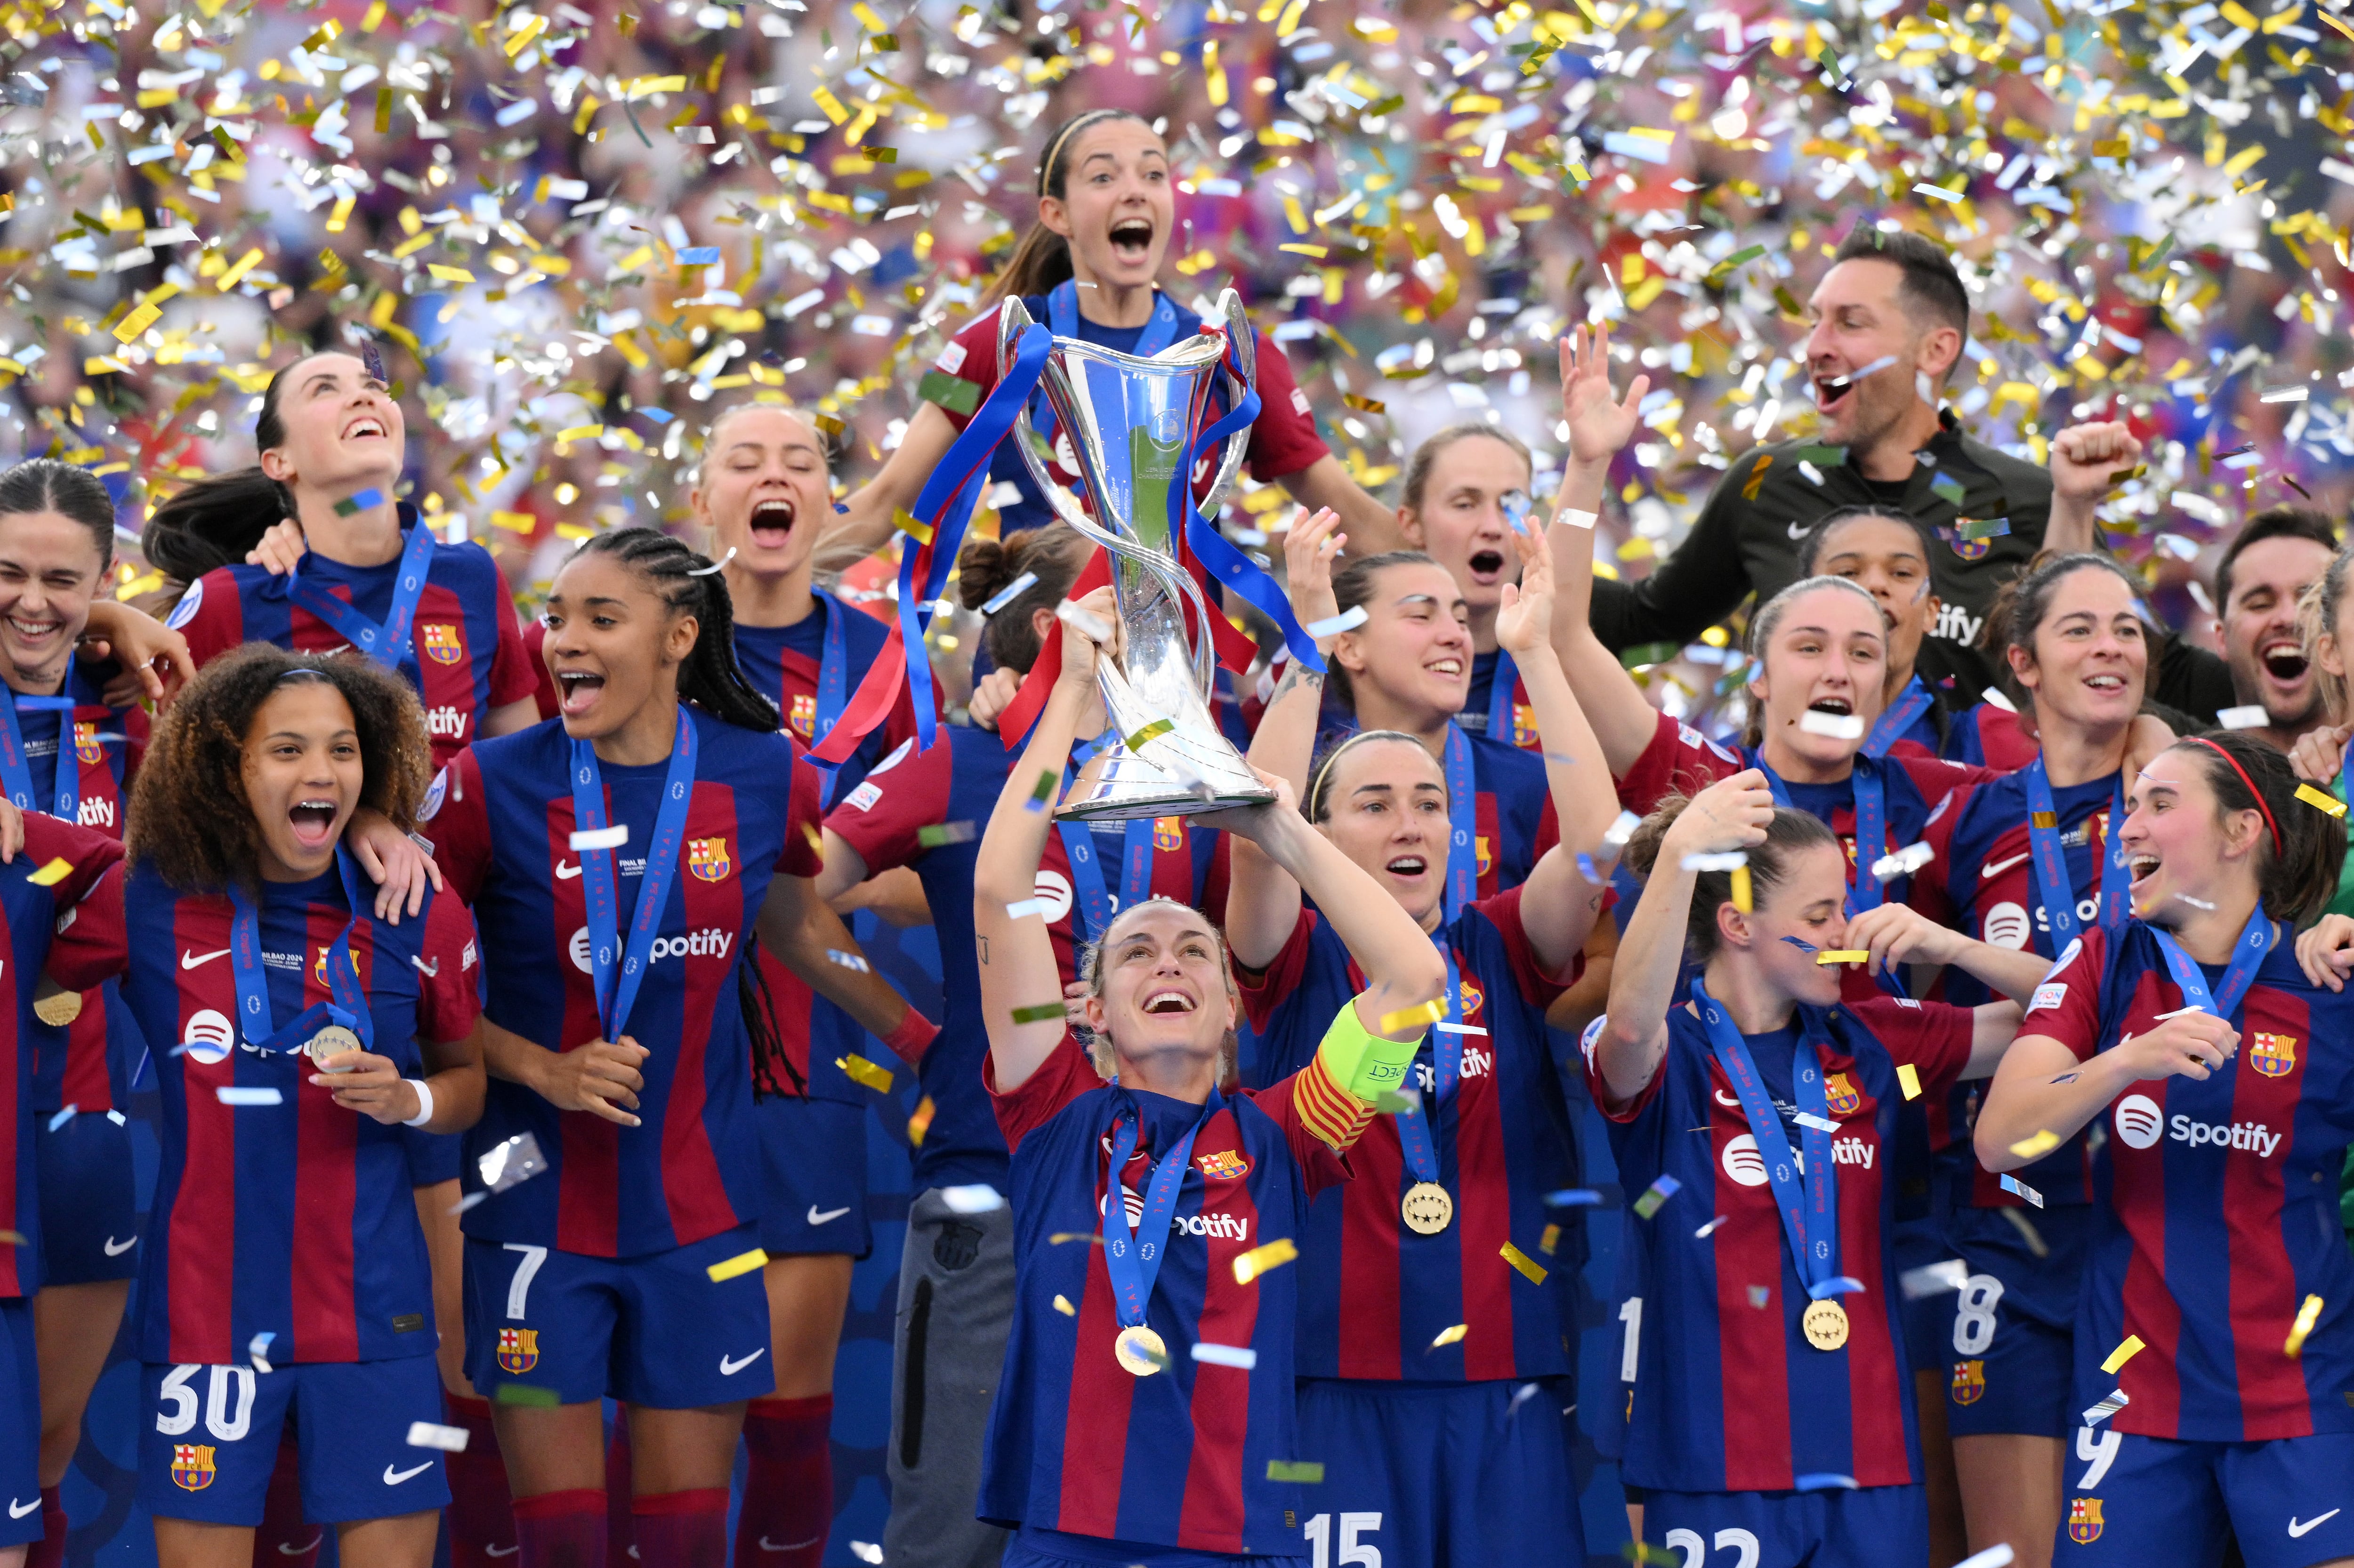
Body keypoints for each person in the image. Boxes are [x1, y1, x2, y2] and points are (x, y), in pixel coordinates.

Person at [419, 527, 929, 1568]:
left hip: (701, 1212)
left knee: (685, 1544)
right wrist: (541, 1069)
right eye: (556, 618)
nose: (565, 641)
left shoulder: (760, 772)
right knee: (555, 1548)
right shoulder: (487, 782)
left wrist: (931, 1043)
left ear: (678, 637)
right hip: (531, 1211)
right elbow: (411, 984)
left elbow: (794, 926)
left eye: (603, 619)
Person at [141, 346, 533, 1566]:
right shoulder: (229, 604)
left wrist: (398, 819)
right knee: (297, 1335)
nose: (362, 392)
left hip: (441, 994)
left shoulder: (472, 580)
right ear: (274, 464)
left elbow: (516, 787)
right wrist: (352, 806)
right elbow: (167, 781)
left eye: (375, 379)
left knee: (452, 1360)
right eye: (322, 388)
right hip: (266, 991)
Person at [970, 582, 1446, 1568]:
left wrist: (1277, 829)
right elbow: (996, 886)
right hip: (1069, 1530)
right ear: (1089, 1010)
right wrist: (1066, 694)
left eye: (1196, 953)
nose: (1170, 965)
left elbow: (1412, 977)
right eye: (1136, 953)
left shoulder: (1285, 1133)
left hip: (1230, 1539)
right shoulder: (1052, 1110)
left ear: (1233, 1008)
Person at [820, 519, 1228, 1568]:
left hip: (1171, 1201)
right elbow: (794, 892)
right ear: (1062, 627)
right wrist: (912, 1030)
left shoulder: (1189, 773)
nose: (1161, 636)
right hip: (993, 1190)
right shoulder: (961, 763)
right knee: (952, 1527)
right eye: (1133, 611)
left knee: (1150, 1519)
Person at [1226, 504, 1613, 1562]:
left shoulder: (1494, 943)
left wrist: (1532, 651)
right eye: (1373, 804)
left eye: (1430, 804)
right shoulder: (1295, 954)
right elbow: (1255, 834)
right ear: (1320, 831)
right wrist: (1307, 641)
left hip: (1504, 1372)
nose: (1408, 825)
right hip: (1329, 1369)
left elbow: (1595, 844)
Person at [45, 644, 487, 1568]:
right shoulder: (147, 898)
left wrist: (406, 1097)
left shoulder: (417, 905)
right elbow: (40, 965)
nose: (319, 772)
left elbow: (466, 1085)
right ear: (227, 766)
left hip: (377, 1323)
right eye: (285, 750)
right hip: (204, 1318)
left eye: (342, 751)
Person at [1586, 772, 2029, 1565]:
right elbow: (1627, 1023)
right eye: (1821, 914)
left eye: (1845, 908)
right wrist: (1681, 852)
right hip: (1713, 1462)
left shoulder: (1871, 1038)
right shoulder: (1668, 1053)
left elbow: (2077, 1011)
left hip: (1872, 1462)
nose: (1847, 932)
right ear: (1739, 924)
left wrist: (1951, 947)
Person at [1974, 732, 2354, 1568]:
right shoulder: (2104, 962)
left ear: (2240, 832)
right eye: (2129, 806)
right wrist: (2127, 1059)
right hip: (2133, 1402)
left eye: (2159, 803)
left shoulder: (2330, 979)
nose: (2126, 827)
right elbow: (2003, 1139)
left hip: (2300, 1399)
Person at [681, 401, 942, 1568]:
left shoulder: (892, 659)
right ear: (702, 501)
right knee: (668, 1406)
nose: (774, 477)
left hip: (811, 1044)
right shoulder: (643, 634)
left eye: (801, 462)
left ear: (833, 505)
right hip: (657, 1046)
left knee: (789, 1412)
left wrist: (839, 883)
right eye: (745, 460)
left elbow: (946, 861)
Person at [1548, 327, 1981, 933]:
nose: (1836, 668)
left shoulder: (1936, 792)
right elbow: (1566, 632)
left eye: (1862, 652)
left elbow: (2079, 779)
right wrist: (1588, 466)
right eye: (1809, 647)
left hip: (1888, 1030)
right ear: (1759, 675)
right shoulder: (1704, 779)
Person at [822, 107, 1393, 556]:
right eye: (1103, 176)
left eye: (1153, 173)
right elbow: (883, 506)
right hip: (1031, 684)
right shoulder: (988, 344)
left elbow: (1350, 516)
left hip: (1184, 687)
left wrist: (1458, 583)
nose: (1135, 190)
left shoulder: (1232, 354)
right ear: (1056, 214)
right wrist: (745, 571)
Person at [1919, 553, 2171, 1568]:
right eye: (2079, 629)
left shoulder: (2182, 802)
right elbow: (1888, 998)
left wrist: (1969, 955)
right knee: (2011, 1556)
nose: (2110, 646)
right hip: (2003, 1228)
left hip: (2152, 1216)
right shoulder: (1970, 817)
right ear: (2020, 661)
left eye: (2126, 627)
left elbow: (2134, 991)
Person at [1585, 229, 2077, 700]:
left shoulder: (2030, 505)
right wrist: (1522, 565)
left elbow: (2123, 677)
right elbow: (1641, 629)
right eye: (1815, 321)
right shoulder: (1766, 482)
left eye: (1849, 323)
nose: (1815, 346)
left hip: (1975, 790)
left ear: (1934, 350)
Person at [0, 460, 153, 1568]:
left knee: (45, 1442)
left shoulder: (132, 714)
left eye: (65, 579)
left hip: (89, 1113)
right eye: (6, 572)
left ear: (104, 580)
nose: (33, 600)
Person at [1388, 422, 1548, 749]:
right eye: (1465, 504)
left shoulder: (1566, 665)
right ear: (1412, 524)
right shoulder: (1347, 658)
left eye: (1511, 506)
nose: (1493, 527)